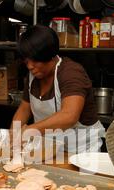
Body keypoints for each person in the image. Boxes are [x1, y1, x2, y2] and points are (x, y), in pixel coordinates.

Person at [11, 24, 105, 154]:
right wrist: (13, 136)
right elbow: (24, 108)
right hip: (50, 150)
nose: (30, 66)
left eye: (35, 60)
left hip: (81, 151)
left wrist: (30, 130)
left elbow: (69, 115)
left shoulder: (71, 72)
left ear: (49, 55)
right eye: (26, 61)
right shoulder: (33, 76)